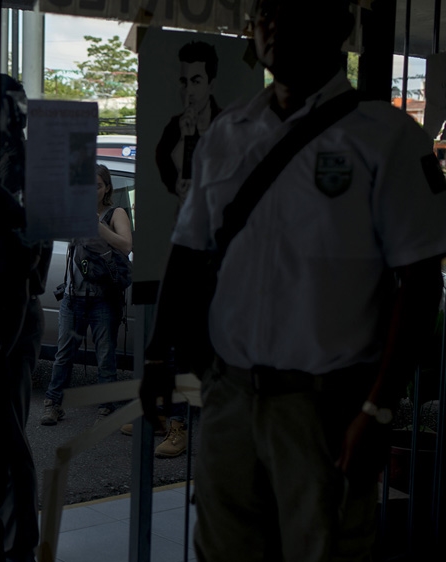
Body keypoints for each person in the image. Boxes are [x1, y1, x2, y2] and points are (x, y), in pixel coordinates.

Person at [140, 1, 446, 560]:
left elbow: (422, 283)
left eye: (296, 5)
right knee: (221, 547)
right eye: (267, 9)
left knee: (322, 547)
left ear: (338, 26)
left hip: (325, 409)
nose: (277, 19)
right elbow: (186, 251)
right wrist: (159, 355)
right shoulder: (227, 131)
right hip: (230, 396)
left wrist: (378, 411)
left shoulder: (386, 140)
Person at [40, 164, 132, 426]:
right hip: (73, 295)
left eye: (98, 186)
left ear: (107, 188)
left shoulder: (116, 213)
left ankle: (107, 407)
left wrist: (96, 226)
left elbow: (126, 245)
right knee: (64, 353)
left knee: (105, 354)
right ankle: (53, 404)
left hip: (104, 297)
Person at [154, 40, 222, 202]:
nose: (188, 91)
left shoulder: (228, 125)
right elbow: (166, 180)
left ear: (211, 85)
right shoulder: (172, 130)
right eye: (184, 82)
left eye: (196, 81)